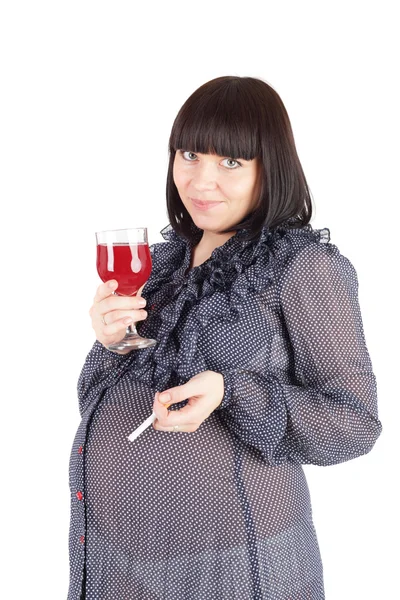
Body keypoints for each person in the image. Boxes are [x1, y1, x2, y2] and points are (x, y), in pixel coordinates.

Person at [67, 75, 383, 600]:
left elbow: (353, 425)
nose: (200, 180)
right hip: (116, 559)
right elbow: (96, 406)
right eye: (189, 155)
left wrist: (230, 392)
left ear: (269, 169)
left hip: (235, 564)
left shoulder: (305, 269)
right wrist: (112, 343)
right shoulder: (161, 264)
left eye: (231, 162)